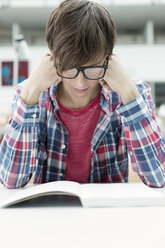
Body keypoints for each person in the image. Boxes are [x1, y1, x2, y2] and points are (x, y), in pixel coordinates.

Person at [0, 0, 165, 189]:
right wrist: (30, 93)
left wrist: (128, 92)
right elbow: (10, 180)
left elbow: (158, 176)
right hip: (48, 214)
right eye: (69, 68)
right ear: (53, 57)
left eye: (93, 68)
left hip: (108, 215)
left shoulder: (131, 94)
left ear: (108, 59)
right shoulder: (32, 95)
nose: (81, 82)